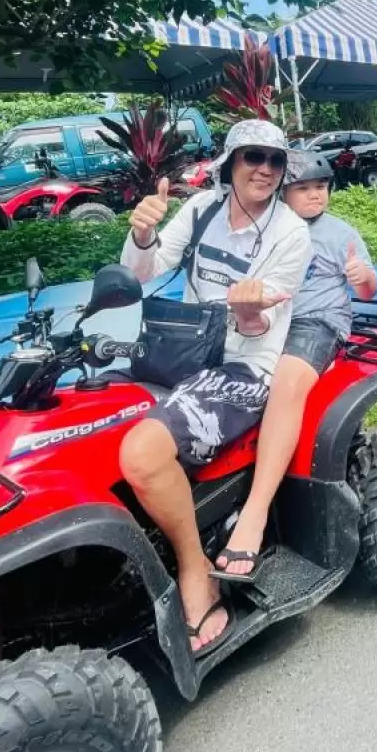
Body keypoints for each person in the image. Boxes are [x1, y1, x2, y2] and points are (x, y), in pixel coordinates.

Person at [119, 119, 312, 654]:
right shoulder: (201, 208)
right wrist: (140, 233)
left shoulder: (290, 233)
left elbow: (262, 326)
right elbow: (144, 269)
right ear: (230, 161)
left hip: (247, 365)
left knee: (140, 454)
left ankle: (194, 569)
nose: (266, 170)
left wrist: (249, 314)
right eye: (254, 156)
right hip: (185, 350)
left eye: (276, 161)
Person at [215, 151, 377, 580]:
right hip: (269, 320)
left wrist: (361, 273)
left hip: (318, 322)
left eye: (320, 188)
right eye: (303, 188)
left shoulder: (339, 232)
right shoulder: (264, 229)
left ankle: (255, 513)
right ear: (283, 192)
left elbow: (368, 293)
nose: (314, 196)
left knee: (286, 383)